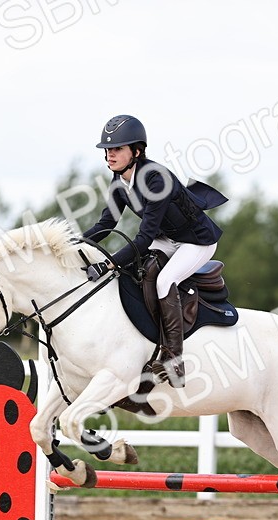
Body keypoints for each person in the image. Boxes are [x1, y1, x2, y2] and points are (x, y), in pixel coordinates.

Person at [81, 114, 227, 387]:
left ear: (136, 151)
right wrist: (76, 243)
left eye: (117, 149)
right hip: (166, 238)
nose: (110, 155)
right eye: (108, 150)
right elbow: (106, 224)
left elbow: (143, 238)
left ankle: (174, 359)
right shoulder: (119, 183)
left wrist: (109, 263)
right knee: (142, 273)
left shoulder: (156, 179)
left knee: (164, 280)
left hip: (196, 241)